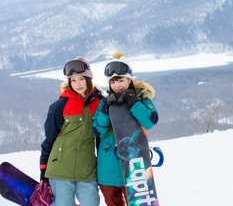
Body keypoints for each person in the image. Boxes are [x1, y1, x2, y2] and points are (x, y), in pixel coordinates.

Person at [92, 51, 159, 206]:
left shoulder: (141, 99)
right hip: (107, 168)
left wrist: (133, 102)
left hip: (134, 167)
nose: (117, 86)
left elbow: (150, 121)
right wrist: (106, 108)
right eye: (112, 82)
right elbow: (99, 131)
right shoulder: (104, 102)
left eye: (120, 80)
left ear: (129, 79)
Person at [39, 56, 104, 206]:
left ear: (88, 79)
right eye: (73, 80)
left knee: (91, 203)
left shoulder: (101, 103)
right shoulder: (59, 105)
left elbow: (102, 138)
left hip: (87, 168)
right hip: (59, 169)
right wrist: (43, 168)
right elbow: (49, 139)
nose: (77, 84)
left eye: (81, 79)